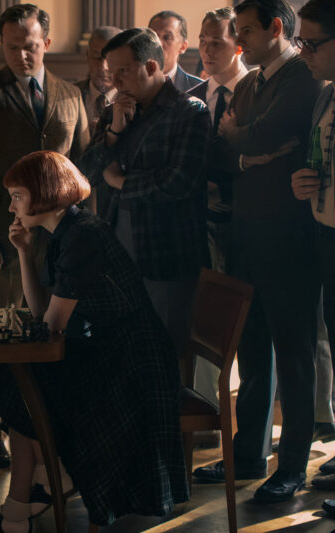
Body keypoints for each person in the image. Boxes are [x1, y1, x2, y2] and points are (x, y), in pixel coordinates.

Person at [0, 151, 187, 533]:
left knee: (20, 379)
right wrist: (24, 253)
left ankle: (32, 497)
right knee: (14, 377)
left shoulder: (83, 235)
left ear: (44, 192)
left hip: (131, 363)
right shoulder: (65, 231)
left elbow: (51, 326)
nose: (11, 205)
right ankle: (35, 493)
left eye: (17, 195)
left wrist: (37, 324)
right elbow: (42, 313)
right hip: (104, 349)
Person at [193, 0, 323, 503]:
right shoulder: (249, 83)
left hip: (289, 242)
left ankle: (292, 466)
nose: (240, 41)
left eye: (247, 30)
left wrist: (241, 139)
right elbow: (223, 152)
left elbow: (267, 132)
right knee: (252, 355)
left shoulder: (300, 76)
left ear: (276, 27)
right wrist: (248, 149)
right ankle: (248, 455)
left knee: (294, 357)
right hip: (245, 236)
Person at [0, 3, 89, 469]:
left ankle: (46, 426)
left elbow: (82, 167)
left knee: (50, 334)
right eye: (11, 47)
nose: (20, 55)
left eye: (29, 45)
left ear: (46, 43)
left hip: (59, 241)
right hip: (0, 237)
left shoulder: (71, 94)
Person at [78, 28, 209, 356]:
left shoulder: (189, 111)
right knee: (122, 356)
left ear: (151, 67)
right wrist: (112, 135)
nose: (115, 79)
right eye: (111, 71)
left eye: (122, 70)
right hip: (116, 257)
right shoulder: (116, 110)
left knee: (165, 355)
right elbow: (85, 177)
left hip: (165, 257)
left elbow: (178, 183)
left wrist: (122, 182)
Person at [186, 7, 251, 411]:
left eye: (217, 42)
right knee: (204, 318)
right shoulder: (194, 97)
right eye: (202, 41)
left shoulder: (257, 91)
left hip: (247, 223)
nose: (207, 50)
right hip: (200, 224)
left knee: (251, 326)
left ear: (239, 44)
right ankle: (208, 408)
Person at [288, 0, 335, 502]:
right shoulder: (324, 98)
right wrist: (307, 181)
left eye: (313, 43)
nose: (304, 53)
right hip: (325, 235)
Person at [76, 26, 121, 137]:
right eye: (97, 58)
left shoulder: (134, 101)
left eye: (110, 59)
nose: (103, 67)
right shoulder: (71, 94)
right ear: (88, 56)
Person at [148, 11, 203, 92]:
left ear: (183, 47)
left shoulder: (198, 88)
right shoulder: (131, 85)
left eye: (167, 37)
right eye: (153, 37)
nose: (158, 44)